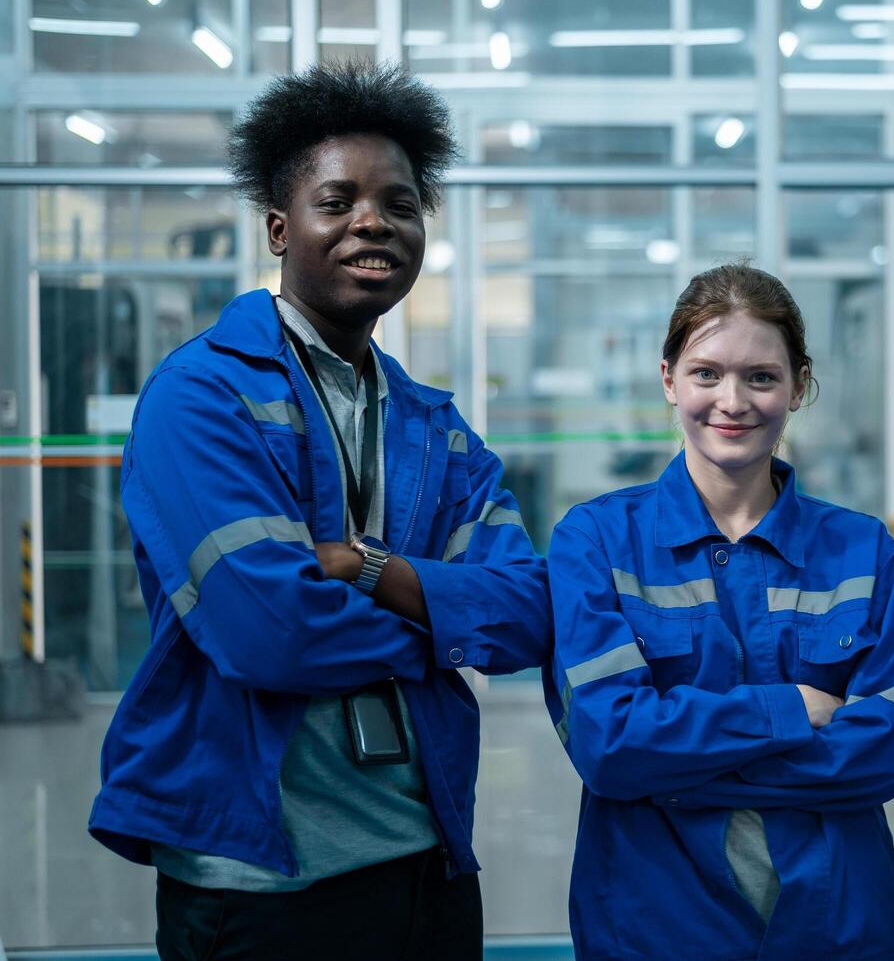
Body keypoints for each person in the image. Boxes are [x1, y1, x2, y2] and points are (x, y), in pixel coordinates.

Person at [88, 61, 552, 960]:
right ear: (278, 226)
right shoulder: (200, 398)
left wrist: (370, 569)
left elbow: (529, 614)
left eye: (400, 203)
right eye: (336, 201)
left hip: (427, 865)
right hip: (259, 885)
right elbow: (271, 633)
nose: (372, 221)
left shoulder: (434, 429)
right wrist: (438, 625)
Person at [544, 264, 894, 959]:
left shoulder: (860, 549)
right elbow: (609, 748)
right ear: (668, 380)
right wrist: (786, 712)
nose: (732, 401)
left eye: (760, 376)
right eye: (706, 374)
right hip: (658, 925)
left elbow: (880, 759)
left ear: (798, 386)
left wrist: (676, 773)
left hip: (836, 925)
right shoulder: (595, 540)